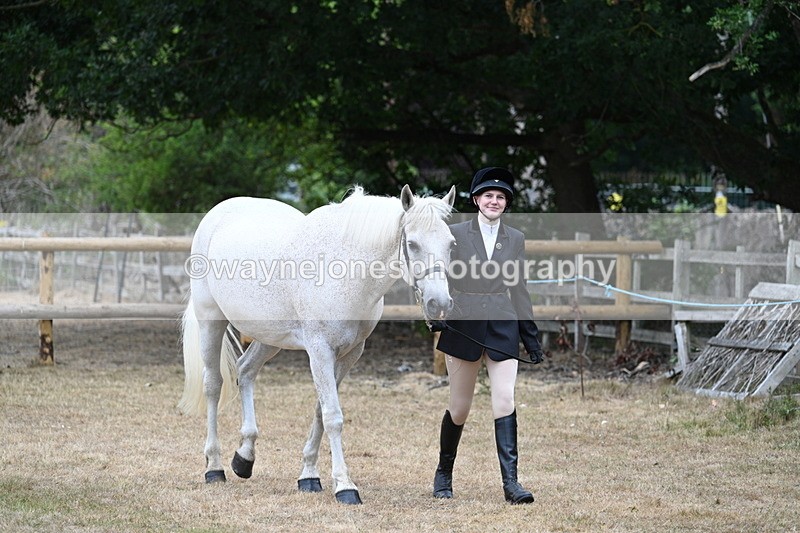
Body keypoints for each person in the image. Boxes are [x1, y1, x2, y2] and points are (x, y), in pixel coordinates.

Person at [430, 167, 544, 504]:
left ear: (506, 204)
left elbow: (519, 289)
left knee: (505, 399)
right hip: (463, 322)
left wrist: (531, 337)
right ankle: (444, 472)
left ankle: (512, 483)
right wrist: (440, 313)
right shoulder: (454, 234)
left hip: (501, 323)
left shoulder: (516, 239)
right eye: (488, 195)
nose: (494, 200)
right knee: (460, 407)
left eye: (500, 197)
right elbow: (438, 274)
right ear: (477, 199)